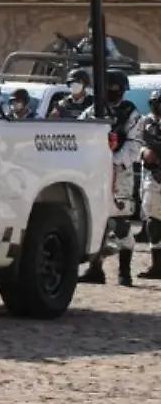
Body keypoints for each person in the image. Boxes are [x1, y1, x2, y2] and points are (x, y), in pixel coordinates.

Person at [78, 69, 141, 287]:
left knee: (120, 223)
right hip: (96, 172)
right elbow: (80, 132)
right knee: (97, 220)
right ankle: (96, 269)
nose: (114, 93)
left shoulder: (131, 114)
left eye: (117, 89)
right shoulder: (93, 111)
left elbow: (134, 147)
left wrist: (112, 159)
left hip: (119, 173)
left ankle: (125, 271)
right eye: (110, 88)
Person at [138, 90, 161, 279]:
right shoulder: (146, 122)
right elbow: (137, 141)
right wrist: (144, 152)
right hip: (154, 176)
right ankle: (157, 265)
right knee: (153, 219)